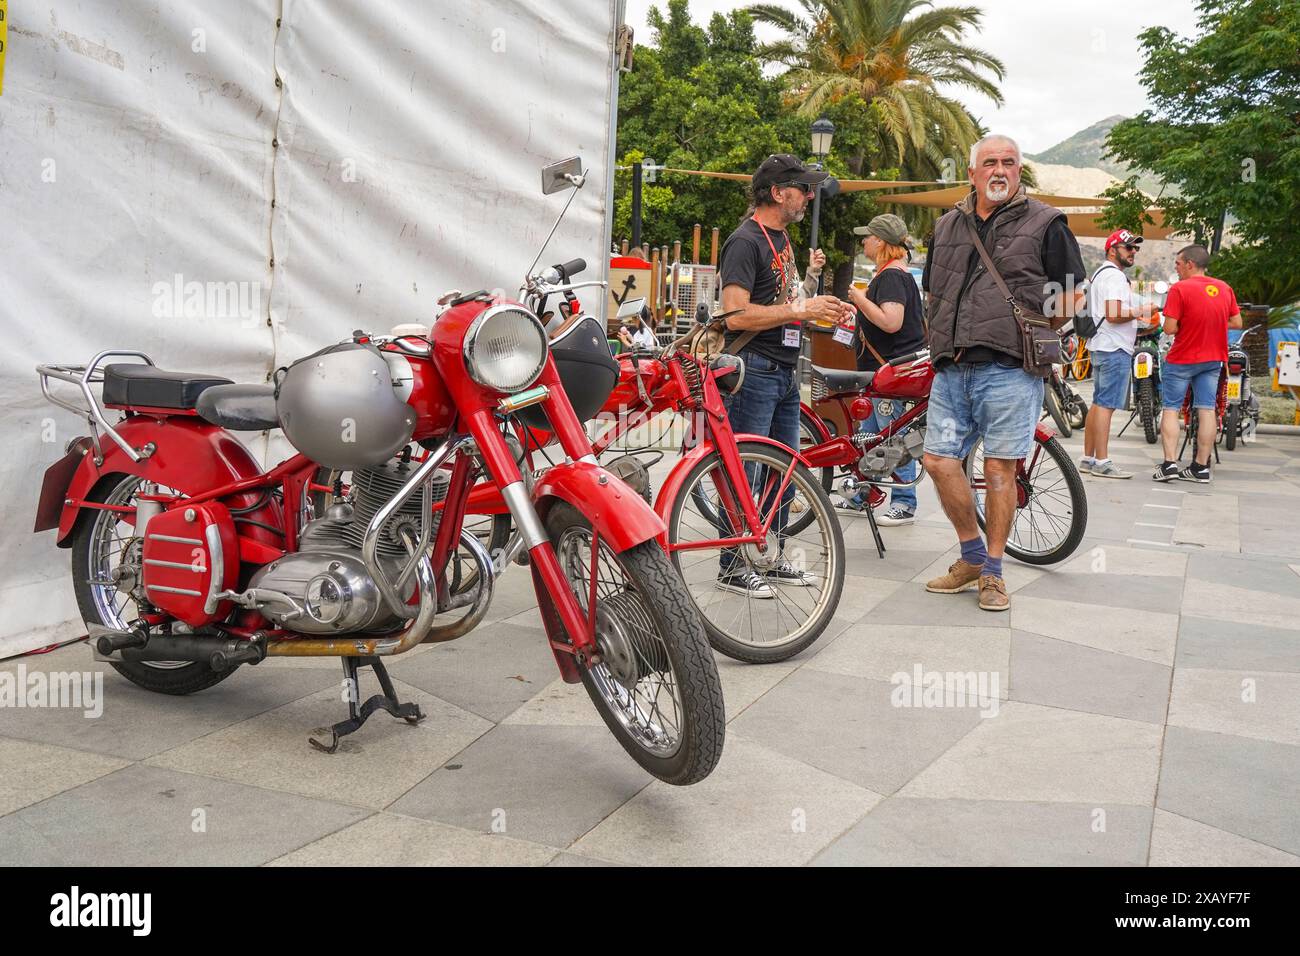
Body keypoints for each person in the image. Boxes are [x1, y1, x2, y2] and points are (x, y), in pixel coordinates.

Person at [920, 134, 1086, 612]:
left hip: (1010, 369)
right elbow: (934, 290)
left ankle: (993, 572)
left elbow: (1072, 292)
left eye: (1009, 163)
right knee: (938, 460)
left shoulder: (1046, 222)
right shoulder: (948, 225)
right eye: (989, 162)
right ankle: (972, 555)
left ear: (1019, 172)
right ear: (971, 173)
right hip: (952, 368)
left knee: (998, 469)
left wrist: (1037, 328)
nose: (999, 170)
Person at [715, 153, 851, 597]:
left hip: (784, 371)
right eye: (802, 188)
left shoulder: (782, 241)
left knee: (784, 472)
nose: (809, 196)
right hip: (752, 370)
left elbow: (786, 302)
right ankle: (733, 566)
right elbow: (734, 315)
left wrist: (817, 308)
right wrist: (800, 309)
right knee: (747, 473)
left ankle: (770, 558)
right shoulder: (745, 241)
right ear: (777, 192)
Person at [836, 213, 927, 525]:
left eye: (868, 236)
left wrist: (860, 300)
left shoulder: (891, 277)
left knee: (892, 437)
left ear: (882, 242)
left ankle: (904, 501)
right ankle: (865, 493)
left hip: (891, 373)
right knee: (872, 436)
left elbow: (891, 322)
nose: (864, 241)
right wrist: (857, 310)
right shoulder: (892, 276)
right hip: (881, 373)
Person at [1153, 244, 1242, 483]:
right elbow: (1236, 321)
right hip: (1213, 359)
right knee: (1206, 409)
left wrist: (1189, 325)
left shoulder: (1179, 289)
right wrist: (1210, 324)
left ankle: (1169, 464)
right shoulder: (1224, 288)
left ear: (1190, 264)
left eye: (1178, 264)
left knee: (1171, 408)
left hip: (1182, 358)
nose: (1177, 268)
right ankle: (1200, 468)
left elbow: (1169, 328)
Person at [1080, 229, 1156, 478]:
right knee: (1106, 405)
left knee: (1098, 403)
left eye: (1135, 248)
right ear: (1113, 250)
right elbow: (1113, 315)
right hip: (1114, 348)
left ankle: (1089, 458)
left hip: (1102, 345)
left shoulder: (1100, 274)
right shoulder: (1114, 276)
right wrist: (1141, 310)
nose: (1133, 252)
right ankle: (1103, 462)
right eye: (1128, 247)